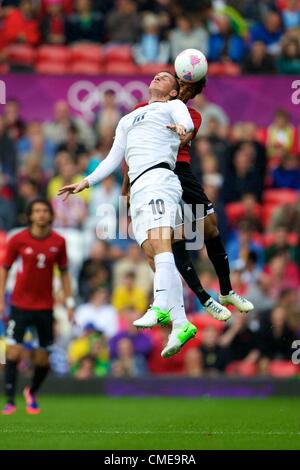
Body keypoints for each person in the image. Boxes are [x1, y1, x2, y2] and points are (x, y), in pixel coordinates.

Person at [58, 71, 197, 359]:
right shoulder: (127, 119)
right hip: (139, 187)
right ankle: (181, 323)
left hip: (161, 177)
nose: (159, 77)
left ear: (174, 91)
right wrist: (87, 181)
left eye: (165, 78)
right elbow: (113, 157)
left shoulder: (173, 107)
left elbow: (187, 125)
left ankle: (159, 307)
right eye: (157, 76)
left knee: (161, 243)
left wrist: (184, 131)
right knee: (151, 253)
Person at [122, 79, 254, 320]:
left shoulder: (192, 115)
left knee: (211, 228)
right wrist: (126, 185)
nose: (184, 92)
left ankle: (226, 290)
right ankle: (204, 298)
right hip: (153, 172)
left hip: (180, 168)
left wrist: (178, 131)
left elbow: (182, 139)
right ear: (173, 86)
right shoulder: (141, 108)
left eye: (189, 90)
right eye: (182, 86)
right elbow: (129, 148)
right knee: (174, 237)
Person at [0, 199, 75, 415]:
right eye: (37, 211)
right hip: (20, 305)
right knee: (13, 352)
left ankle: (31, 392)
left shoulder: (59, 242)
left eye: (45, 211)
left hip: (45, 307)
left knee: (43, 357)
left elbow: (65, 272)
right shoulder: (18, 240)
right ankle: (10, 400)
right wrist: (1, 298)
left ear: (50, 215)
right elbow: (5, 268)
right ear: (30, 216)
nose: (41, 214)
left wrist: (69, 302)